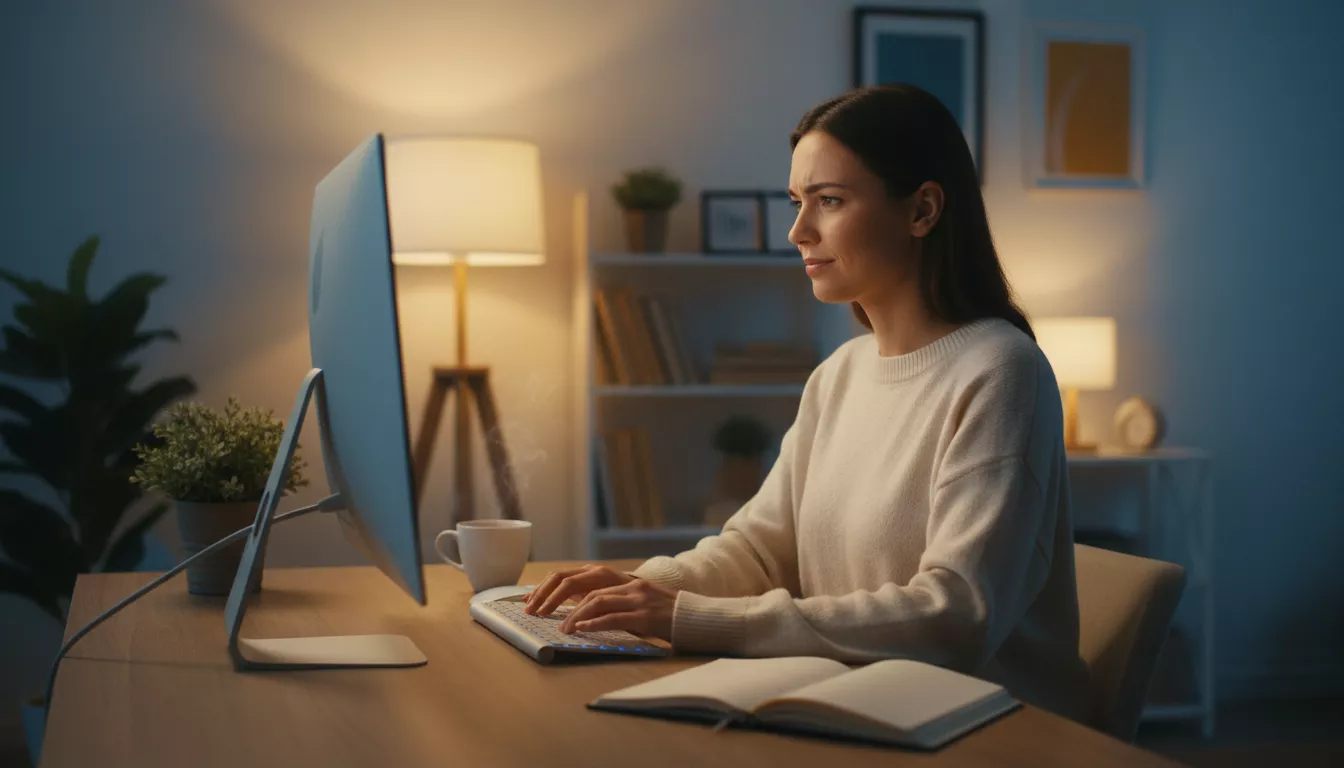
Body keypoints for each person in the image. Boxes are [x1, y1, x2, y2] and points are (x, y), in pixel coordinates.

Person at [524, 83, 1090, 721]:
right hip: (859, 706)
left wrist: (690, 618)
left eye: (829, 201)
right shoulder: (839, 374)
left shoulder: (1001, 370)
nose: (798, 230)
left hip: (988, 729)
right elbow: (763, 550)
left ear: (923, 210)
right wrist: (649, 587)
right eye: (797, 201)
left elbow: (956, 615)